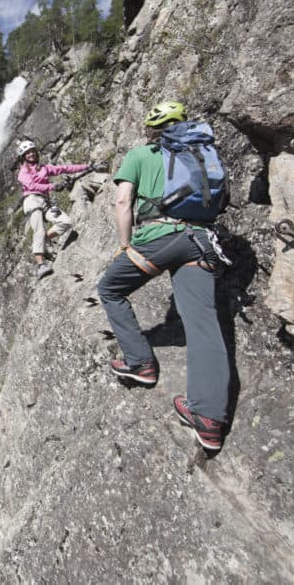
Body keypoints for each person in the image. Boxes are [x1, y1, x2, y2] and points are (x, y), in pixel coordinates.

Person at [96, 101, 230, 450]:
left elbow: (123, 202)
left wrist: (125, 244)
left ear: (151, 129)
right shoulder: (201, 154)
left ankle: (140, 363)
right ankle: (209, 417)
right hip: (200, 241)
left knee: (110, 288)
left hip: (159, 239)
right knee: (204, 324)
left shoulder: (140, 155)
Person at [15, 140, 95, 280]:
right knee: (38, 230)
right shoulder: (22, 173)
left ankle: (40, 242)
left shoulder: (44, 168)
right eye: (27, 153)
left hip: (45, 202)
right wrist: (52, 187)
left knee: (65, 222)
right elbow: (32, 186)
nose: (31, 154)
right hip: (32, 201)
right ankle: (41, 266)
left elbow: (64, 169)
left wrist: (88, 167)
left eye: (33, 151)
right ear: (23, 157)